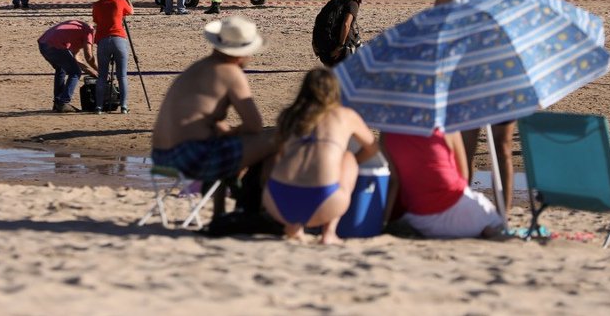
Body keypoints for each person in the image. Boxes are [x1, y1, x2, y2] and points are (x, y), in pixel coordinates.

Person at [435, 0, 533, 212]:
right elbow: (436, 24)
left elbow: (527, 23)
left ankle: (503, 214)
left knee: (503, 146)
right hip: (466, 75)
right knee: (466, 148)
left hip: (505, 74)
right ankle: (462, 211)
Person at [151, 16, 277, 195]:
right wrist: (234, 132)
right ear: (242, 53)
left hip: (161, 156)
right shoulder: (230, 72)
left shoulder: (196, 68)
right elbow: (254, 125)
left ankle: (230, 195)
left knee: (235, 143)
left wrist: (224, 129)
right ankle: (259, 200)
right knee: (277, 137)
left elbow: (197, 113)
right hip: (192, 158)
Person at [263, 68, 378, 245]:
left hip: (276, 201)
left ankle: (293, 227)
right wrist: (349, 163)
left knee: (284, 155)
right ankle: (329, 233)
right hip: (325, 201)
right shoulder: (345, 115)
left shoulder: (290, 115)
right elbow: (373, 147)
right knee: (348, 158)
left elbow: (280, 154)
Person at [383, 129, 504, 238]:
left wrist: (384, 221)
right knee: (492, 220)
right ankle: (487, 230)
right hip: (457, 211)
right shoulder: (447, 127)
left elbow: (394, 181)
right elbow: (464, 176)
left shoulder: (387, 132)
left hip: (418, 218)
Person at [91, 0, 134, 114]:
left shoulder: (97, 5)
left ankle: (99, 106)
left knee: (102, 76)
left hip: (103, 40)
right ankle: (124, 106)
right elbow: (131, 11)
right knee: (122, 76)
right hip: (119, 39)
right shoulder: (120, 1)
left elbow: (96, 20)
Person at [38, 20, 99, 113]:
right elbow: (89, 57)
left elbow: (76, 58)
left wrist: (92, 72)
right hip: (54, 46)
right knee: (75, 72)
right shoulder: (89, 31)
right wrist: (100, 71)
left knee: (61, 69)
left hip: (43, 43)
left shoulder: (79, 31)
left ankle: (58, 102)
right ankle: (63, 102)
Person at [312, 0, 364, 67]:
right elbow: (346, 24)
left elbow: (318, 20)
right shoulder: (352, 4)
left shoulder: (333, 1)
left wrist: (314, 43)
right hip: (340, 52)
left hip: (324, 51)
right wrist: (340, 46)